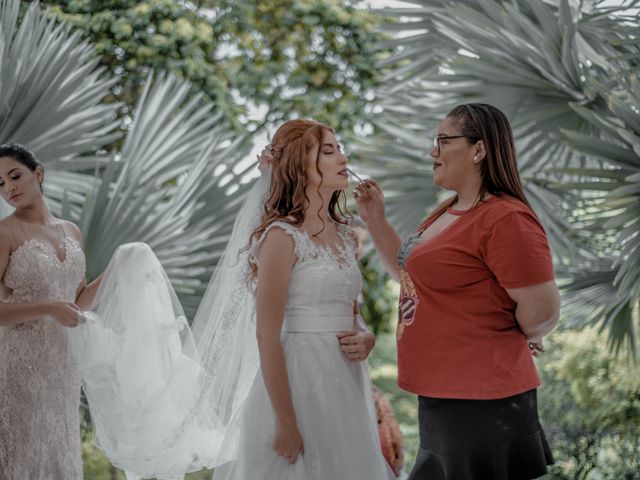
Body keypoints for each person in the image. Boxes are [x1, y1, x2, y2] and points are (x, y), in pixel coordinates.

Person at [354, 104, 560, 479]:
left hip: (483, 396)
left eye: (443, 141)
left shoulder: (506, 219)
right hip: (444, 390)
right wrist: (376, 221)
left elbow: (543, 312)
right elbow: (412, 279)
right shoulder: (447, 212)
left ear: (478, 150)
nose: (433, 152)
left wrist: (511, 336)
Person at [212, 118, 393, 479]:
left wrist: (366, 335)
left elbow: (349, 307)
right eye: (329, 151)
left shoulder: (344, 234)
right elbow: (266, 334)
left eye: (340, 148)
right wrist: (287, 422)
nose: (342, 157)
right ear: (299, 164)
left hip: (346, 379)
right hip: (298, 378)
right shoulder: (281, 237)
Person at [0, 143, 103, 479]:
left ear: (38, 174)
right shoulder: (6, 232)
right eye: (0, 184)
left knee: (59, 454)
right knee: (24, 456)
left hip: (63, 369)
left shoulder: (71, 231)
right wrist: (48, 309)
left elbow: (78, 300)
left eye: (14, 176)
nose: (9, 188)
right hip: (19, 368)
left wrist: (120, 267)